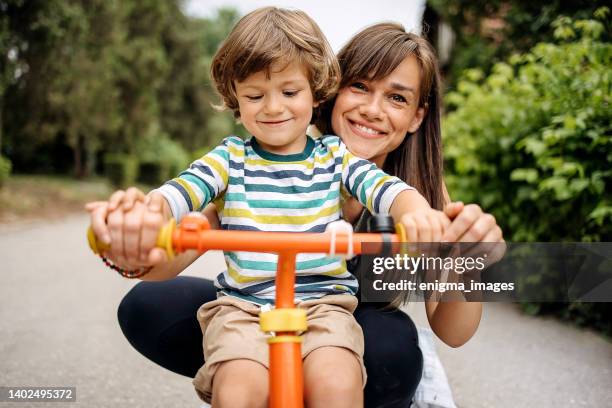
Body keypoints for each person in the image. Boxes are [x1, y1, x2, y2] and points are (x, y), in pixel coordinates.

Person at [87, 21, 504, 408]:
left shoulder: (407, 189)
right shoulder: (258, 159)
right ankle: (251, 373)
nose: (374, 109)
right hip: (250, 303)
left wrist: (466, 257)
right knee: (156, 309)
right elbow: (180, 219)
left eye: (397, 97)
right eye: (360, 86)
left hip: (334, 314)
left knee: (385, 350)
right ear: (332, 90)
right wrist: (136, 234)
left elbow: (453, 330)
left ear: (417, 116)